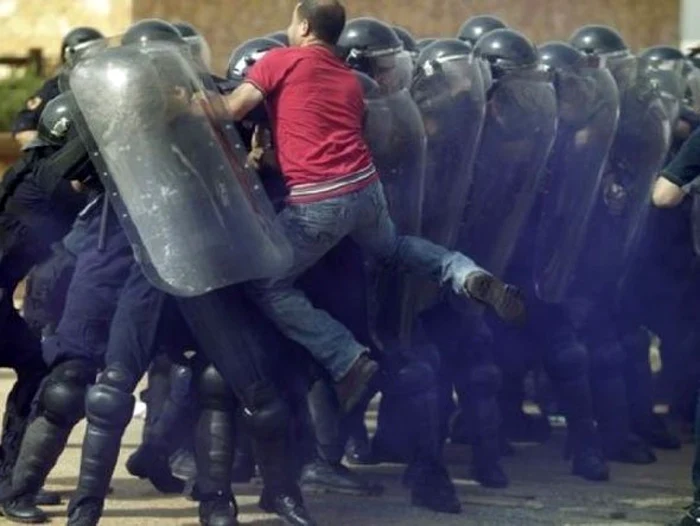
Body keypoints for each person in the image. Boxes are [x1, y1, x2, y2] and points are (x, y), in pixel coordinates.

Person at [221, 0, 526, 416]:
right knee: (396, 248)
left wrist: (184, 103)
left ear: (305, 25)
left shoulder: (280, 61)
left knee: (267, 284)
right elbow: (324, 144)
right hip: (365, 190)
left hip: (317, 204)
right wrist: (268, 158)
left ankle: (345, 357)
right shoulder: (348, 80)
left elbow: (229, 110)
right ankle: (465, 272)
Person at [11, 27, 103, 149]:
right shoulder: (56, 87)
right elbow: (24, 127)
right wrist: (47, 145)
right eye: (85, 54)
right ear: (69, 55)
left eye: (97, 52)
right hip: (69, 158)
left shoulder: (111, 86)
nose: (91, 60)